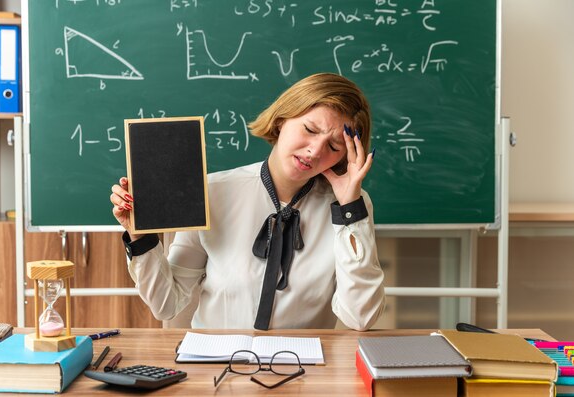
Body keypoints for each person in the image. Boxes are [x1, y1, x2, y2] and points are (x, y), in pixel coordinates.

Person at [110, 73, 385, 330]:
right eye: (310, 129)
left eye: (334, 147)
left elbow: (360, 317)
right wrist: (140, 236)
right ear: (281, 120)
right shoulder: (212, 191)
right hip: (216, 366)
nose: (315, 151)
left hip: (303, 370)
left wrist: (350, 213)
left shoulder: (350, 207)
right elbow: (166, 303)